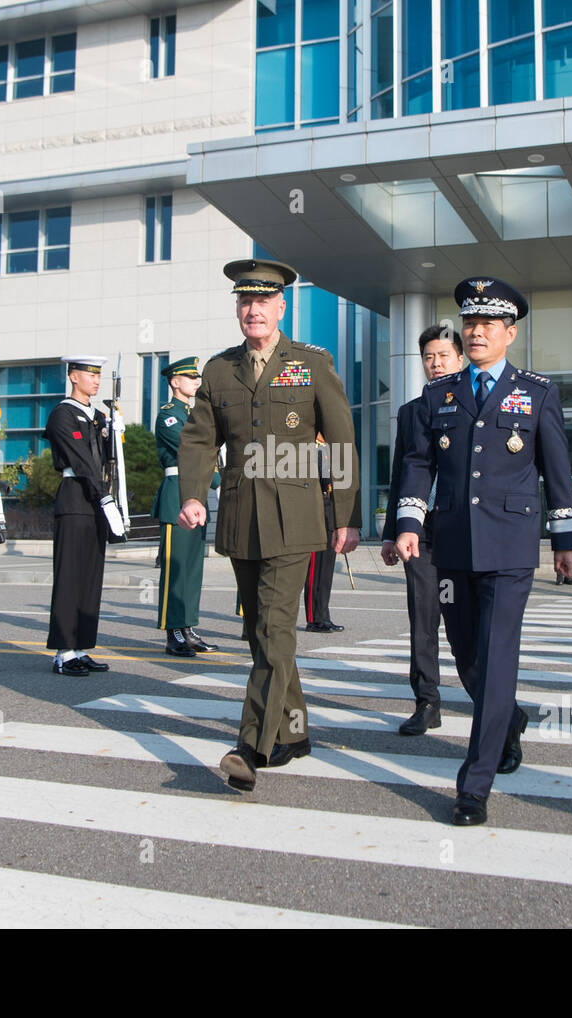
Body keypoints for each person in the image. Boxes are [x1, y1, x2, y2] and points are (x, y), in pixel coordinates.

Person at [395, 277, 572, 827]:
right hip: (451, 544)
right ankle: (510, 719)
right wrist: (408, 521)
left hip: (510, 545)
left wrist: (564, 541)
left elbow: (557, 470)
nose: (476, 332)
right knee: (467, 653)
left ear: (509, 333)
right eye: (470, 323)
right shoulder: (439, 395)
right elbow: (418, 463)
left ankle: (474, 784)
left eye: (488, 324)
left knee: (497, 657)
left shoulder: (537, 391)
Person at [178, 257, 360, 793]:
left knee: (273, 631)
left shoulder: (310, 363)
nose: (253, 309)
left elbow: (343, 439)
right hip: (240, 518)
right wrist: (192, 494)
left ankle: (250, 747)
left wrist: (345, 519)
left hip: (295, 518)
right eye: (244, 301)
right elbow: (199, 440)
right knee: (260, 633)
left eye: (263, 301)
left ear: (282, 307)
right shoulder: (218, 370)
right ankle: (295, 730)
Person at [381, 323, 464, 736]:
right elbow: (402, 472)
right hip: (422, 534)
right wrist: (390, 532)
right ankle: (426, 701)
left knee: (468, 623)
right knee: (423, 618)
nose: (435, 364)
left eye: (443, 356)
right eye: (429, 357)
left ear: (461, 359)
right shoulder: (412, 411)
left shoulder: (475, 406)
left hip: (465, 533)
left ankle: (493, 700)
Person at [45, 355, 125, 675]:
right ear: (73, 376)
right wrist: (104, 498)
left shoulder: (99, 416)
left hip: (97, 501)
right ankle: (64, 652)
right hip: (76, 499)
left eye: (98, 375)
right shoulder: (62, 414)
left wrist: (115, 433)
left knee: (91, 577)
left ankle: (81, 647)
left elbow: (108, 460)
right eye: (89, 374)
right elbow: (80, 461)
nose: (96, 380)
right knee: (70, 577)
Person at [151, 356, 219, 657]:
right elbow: (190, 450)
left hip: (196, 495)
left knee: (192, 569)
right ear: (174, 382)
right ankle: (173, 631)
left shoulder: (194, 414)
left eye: (196, 378)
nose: (195, 382)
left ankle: (188, 627)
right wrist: (220, 479)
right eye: (190, 377)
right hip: (176, 497)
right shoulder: (168, 416)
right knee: (175, 569)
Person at [302, 434, 342, 633]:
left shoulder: (329, 446)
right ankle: (313, 618)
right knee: (314, 570)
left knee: (326, 569)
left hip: (329, 510)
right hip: (313, 510)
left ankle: (324, 615)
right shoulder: (311, 444)